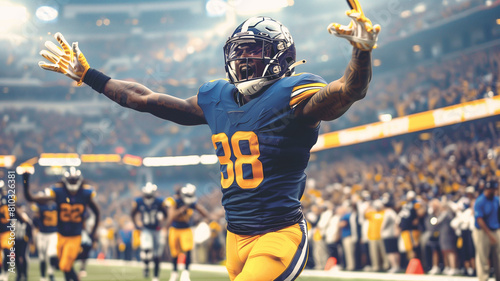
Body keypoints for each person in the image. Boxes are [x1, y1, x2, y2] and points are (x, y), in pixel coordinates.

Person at [37, 0, 380, 278]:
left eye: (254, 51)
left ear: (282, 57)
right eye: (239, 50)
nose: (243, 59)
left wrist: (361, 53)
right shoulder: (217, 97)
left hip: (278, 235)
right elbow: (144, 99)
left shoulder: (294, 93)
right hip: (235, 237)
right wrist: (89, 75)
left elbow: (347, 91)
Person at [23, 167, 100, 281]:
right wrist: (25, 181)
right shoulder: (58, 193)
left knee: (64, 265)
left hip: (75, 237)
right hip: (60, 236)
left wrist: (93, 233)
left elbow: (97, 213)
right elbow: (30, 198)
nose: (72, 183)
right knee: (62, 266)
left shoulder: (85, 194)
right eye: (71, 180)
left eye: (74, 180)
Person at [166, 184, 209, 281]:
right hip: (175, 229)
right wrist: (182, 209)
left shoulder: (192, 202)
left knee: (188, 250)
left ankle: (185, 273)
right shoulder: (175, 202)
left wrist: (205, 218)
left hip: (186, 229)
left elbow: (202, 211)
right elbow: (171, 216)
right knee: (175, 253)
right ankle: (174, 272)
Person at [130, 182, 168, 281]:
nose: (148, 197)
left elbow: (166, 214)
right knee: (146, 249)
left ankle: (155, 276)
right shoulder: (139, 201)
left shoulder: (159, 202)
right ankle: (146, 267)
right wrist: (136, 224)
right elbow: (133, 213)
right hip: (146, 229)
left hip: (157, 230)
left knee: (156, 255)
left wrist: (163, 224)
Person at [472, 180, 500, 281]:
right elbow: (479, 220)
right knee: (482, 257)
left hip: (495, 229)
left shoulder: (496, 200)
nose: (492, 192)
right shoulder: (480, 201)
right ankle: (483, 278)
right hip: (482, 231)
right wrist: (490, 235)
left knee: (498, 256)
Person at [31, 190, 59, 281]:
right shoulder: (40, 206)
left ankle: (50, 271)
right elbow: (35, 219)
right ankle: (43, 277)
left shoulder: (56, 205)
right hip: (42, 233)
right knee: (42, 257)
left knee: (51, 253)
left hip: (53, 233)